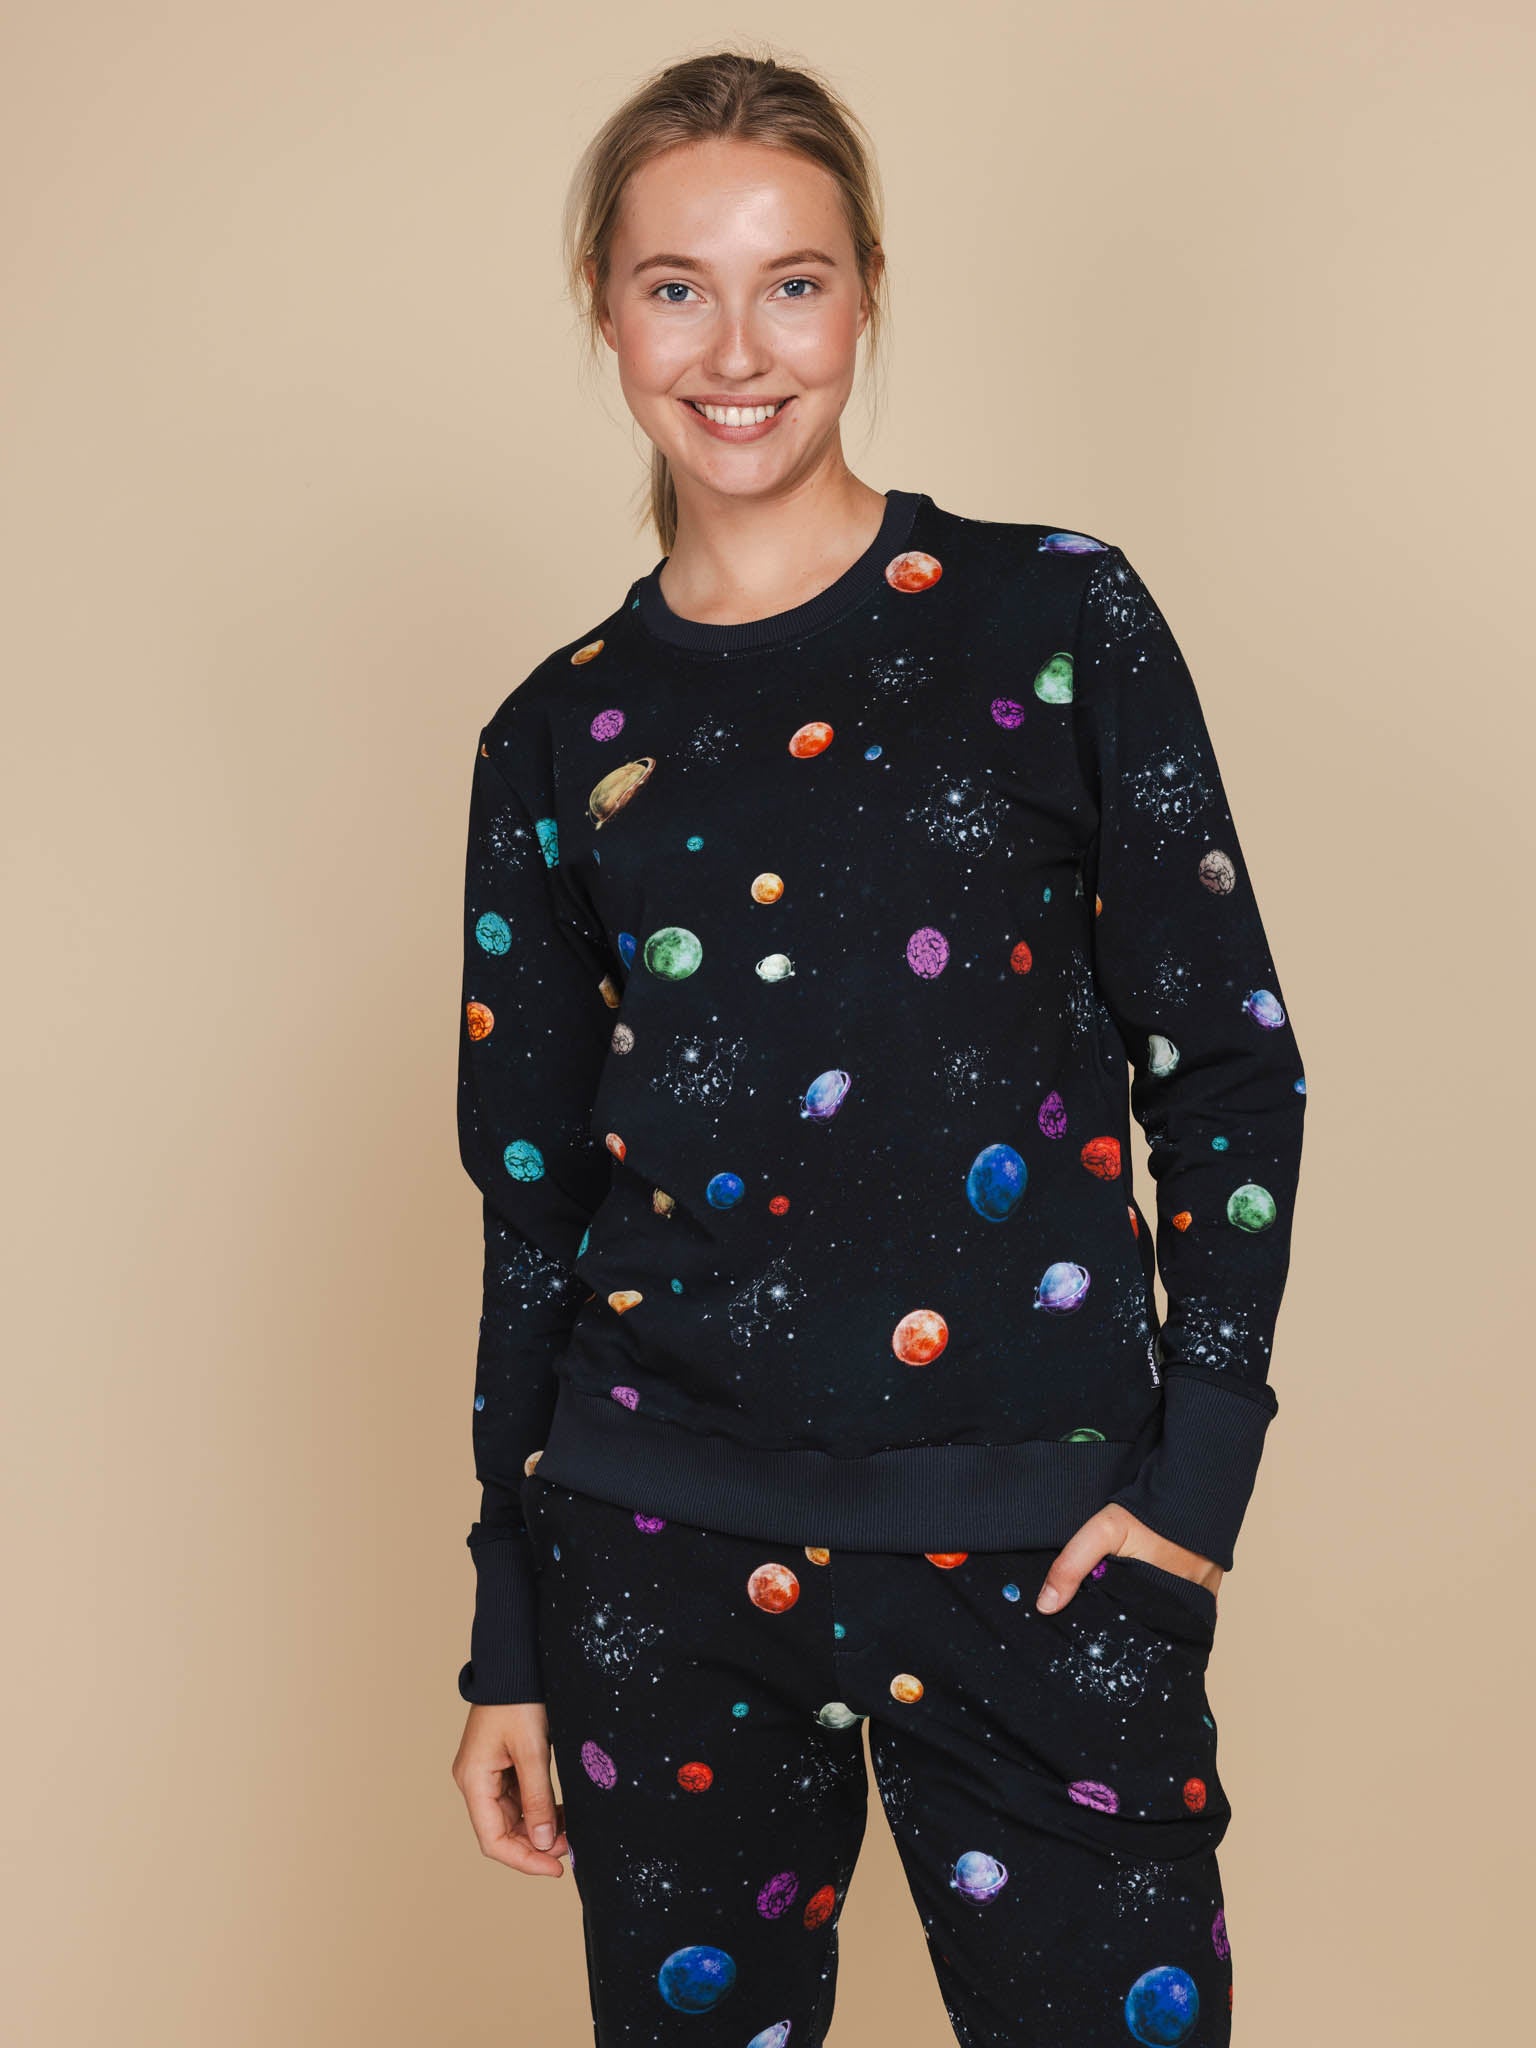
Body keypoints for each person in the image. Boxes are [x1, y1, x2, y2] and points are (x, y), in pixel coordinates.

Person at [448, 46, 1306, 2048]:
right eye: (677, 285)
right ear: (605, 306)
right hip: (656, 1557)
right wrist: (510, 1628)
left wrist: (1198, 1479)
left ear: (866, 296)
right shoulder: (554, 736)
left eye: (793, 282)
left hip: (1045, 1547)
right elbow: (530, 1199)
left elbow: (1229, 1066)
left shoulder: (1055, 621)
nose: (737, 349)